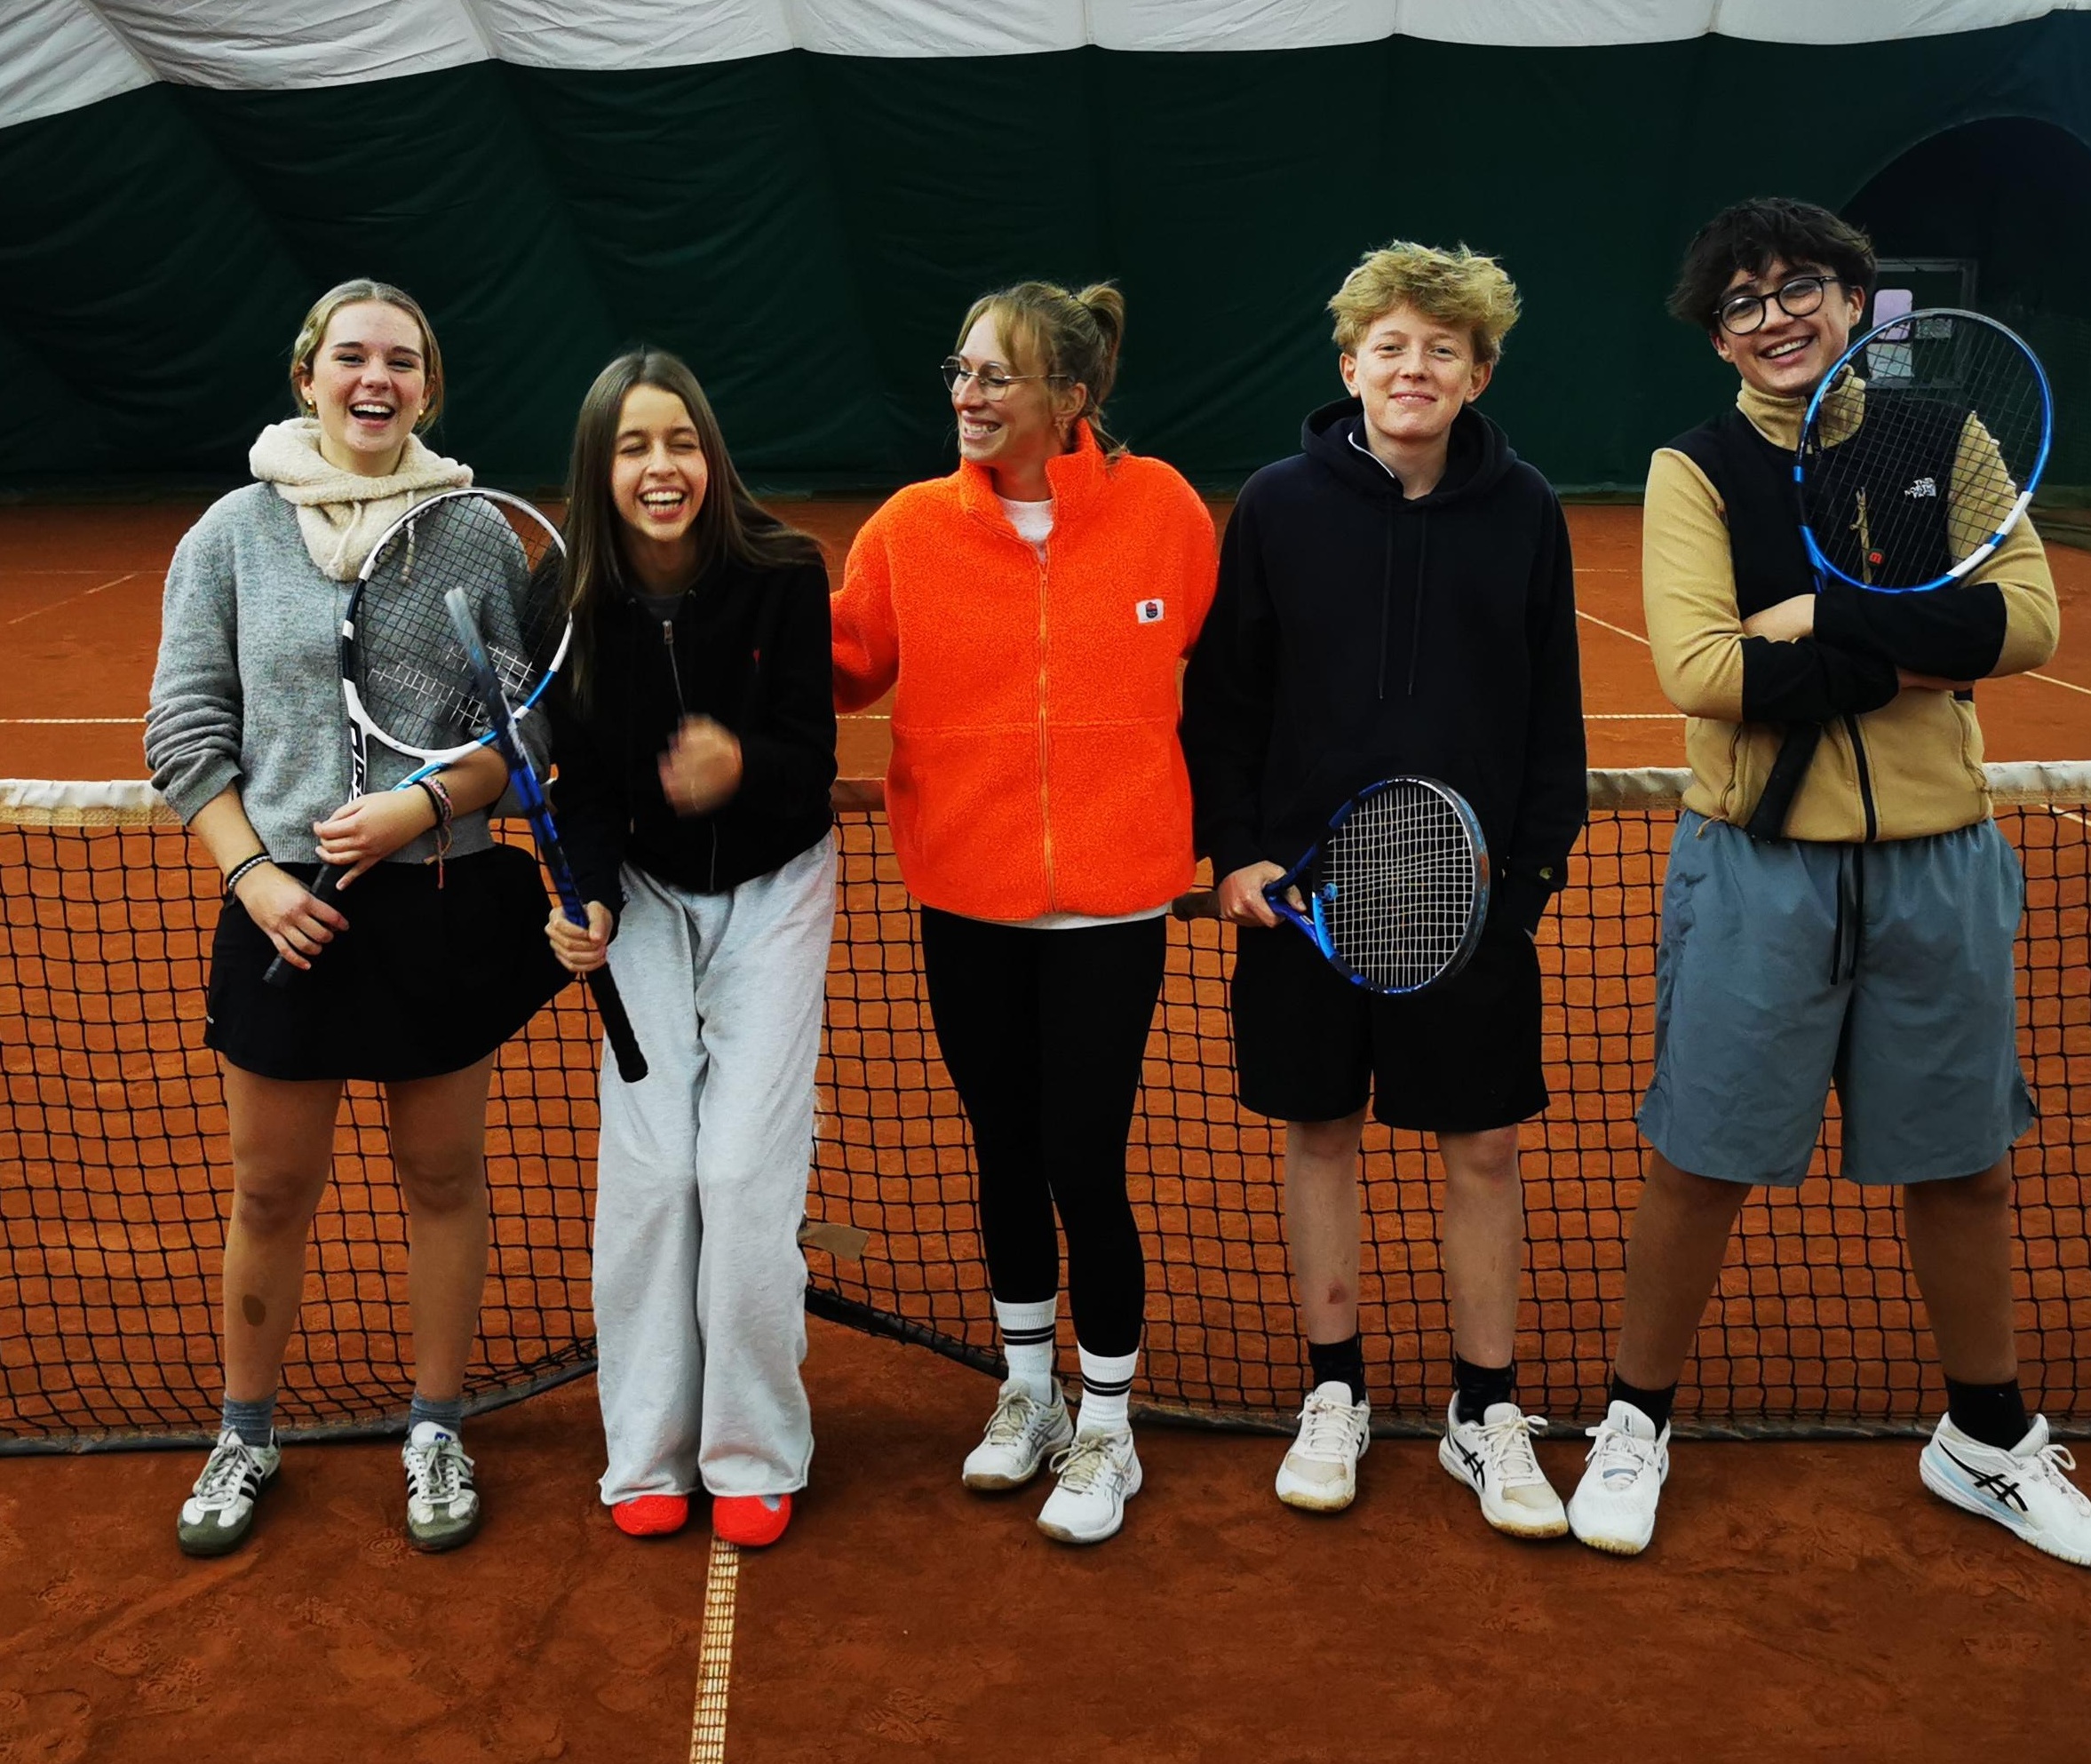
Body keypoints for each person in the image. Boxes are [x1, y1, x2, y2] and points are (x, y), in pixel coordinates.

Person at [1565, 196, 2091, 1569]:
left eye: (1798, 287)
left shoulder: (1947, 437)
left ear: (1849, 299)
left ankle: (1983, 1437)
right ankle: (1634, 1419)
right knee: (1700, 1161)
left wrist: (1822, 614)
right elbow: (1703, 671)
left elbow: (2028, 623)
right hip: (1758, 866)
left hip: (1939, 862)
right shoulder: (1694, 467)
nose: (1773, 316)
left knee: (1964, 1169)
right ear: (1717, 339)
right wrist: (1925, 651)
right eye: (1741, 302)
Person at [146, 278, 570, 1556]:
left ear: (427, 388)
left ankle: (436, 1424)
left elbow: (523, 734)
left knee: (441, 1178)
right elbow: (184, 730)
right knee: (271, 1189)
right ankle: (245, 1430)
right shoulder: (232, 534)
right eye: (350, 357)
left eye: (401, 361)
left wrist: (418, 806)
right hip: (281, 910)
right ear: (308, 376)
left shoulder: (474, 535)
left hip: (435, 898)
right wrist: (254, 879)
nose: (374, 379)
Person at [1181, 242, 1586, 1529]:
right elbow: (1226, 700)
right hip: (1305, 898)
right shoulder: (1277, 505)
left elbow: (1553, 717)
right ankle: (1333, 1390)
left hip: (1469, 897)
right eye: (1391, 347)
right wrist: (1237, 851)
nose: (1415, 369)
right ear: (1350, 364)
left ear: (1478, 375)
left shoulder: (1525, 511)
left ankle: (1484, 1410)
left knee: (1485, 1147)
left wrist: (1519, 887)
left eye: (1442, 350)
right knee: (1318, 1134)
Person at [831, 281, 1217, 1545]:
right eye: (960, 372)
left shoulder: (1163, 512)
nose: (969, 395)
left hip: (1112, 913)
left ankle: (1106, 1422)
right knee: (1002, 1150)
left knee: (1083, 1160)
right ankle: (1027, 1390)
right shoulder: (907, 528)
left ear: (1071, 396)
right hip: (967, 902)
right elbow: (841, 665)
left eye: (997, 376)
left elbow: (1228, 666)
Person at [544, 351, 837, 1549]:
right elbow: (579, 785)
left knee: (743, 1174)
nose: (660, 468)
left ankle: (756, 1447)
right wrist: (588, 897)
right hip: (645, 898)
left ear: (710, 454)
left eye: (680, 442)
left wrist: (741, 767)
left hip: (777, 888)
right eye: (632, 447)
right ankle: (648, 1449)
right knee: (656, 1170)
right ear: (599, 468)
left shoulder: (784, 571)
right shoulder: (565, 599)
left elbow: (809, 759)